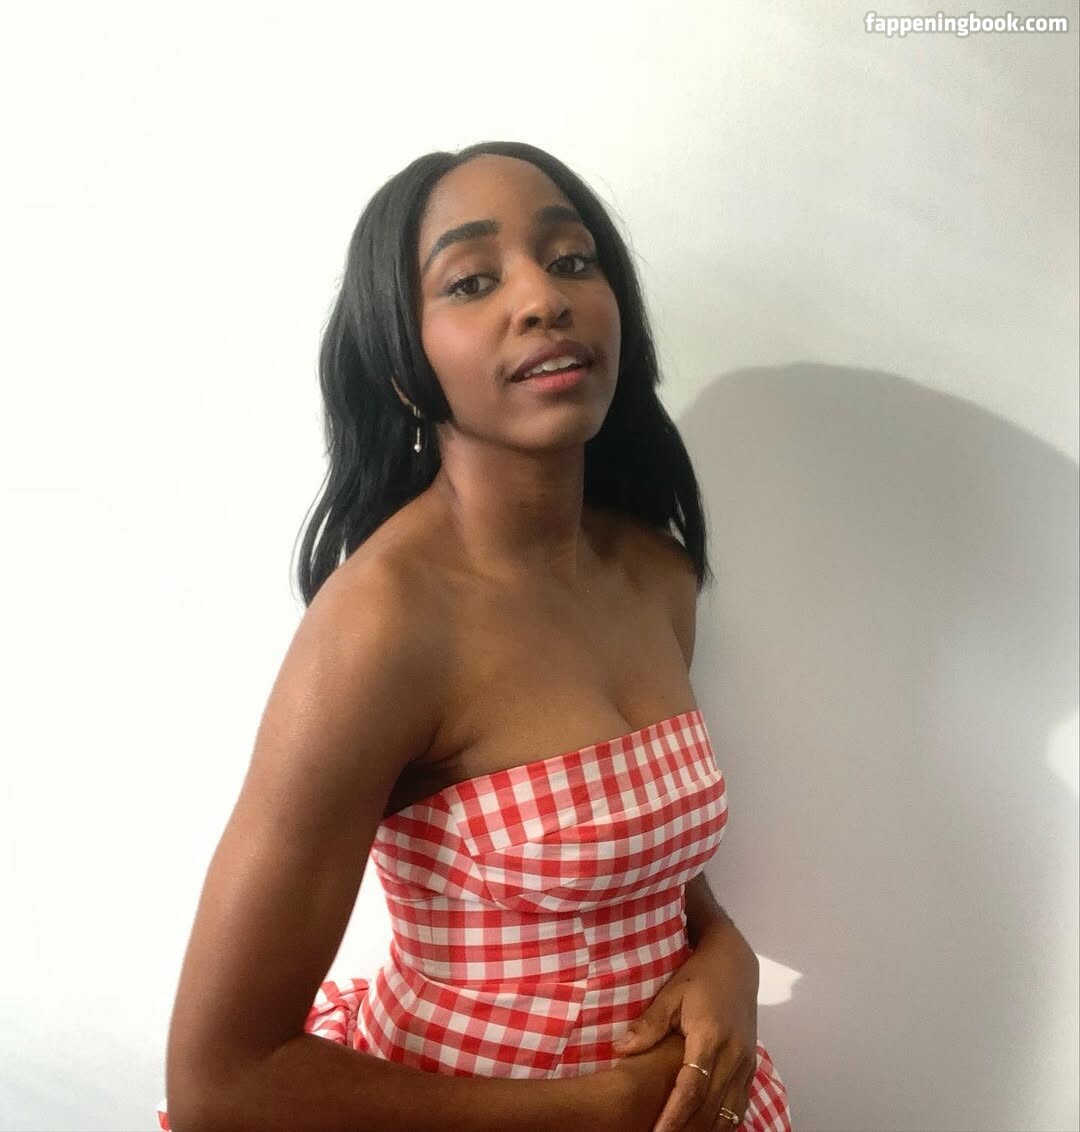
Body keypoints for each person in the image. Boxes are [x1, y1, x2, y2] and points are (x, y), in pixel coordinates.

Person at [160, 141, 791, 1132]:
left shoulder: (656, 575)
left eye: (571, 260)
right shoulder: (379, 628)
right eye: (471, 280)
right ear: (404, 369)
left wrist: (725, 951)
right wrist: (601, 1106)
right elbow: (220, 1083)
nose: (543, 298)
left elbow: (639, 857)